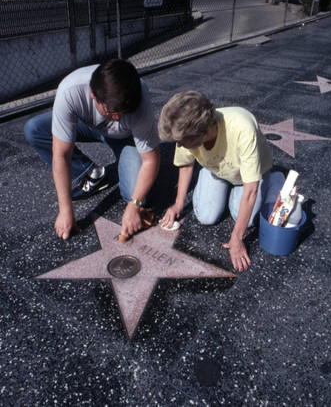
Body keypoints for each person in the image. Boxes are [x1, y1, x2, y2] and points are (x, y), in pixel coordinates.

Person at [24, 59, 160, 240]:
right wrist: (65, 210)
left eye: (123, 111)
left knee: (137, 197)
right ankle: (91, 173)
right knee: (34, 129)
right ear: (93, 95)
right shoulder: (70, 90)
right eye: (111, 111)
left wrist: (134, 205)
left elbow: (151, 159)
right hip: (87, 125)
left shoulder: (138, 96)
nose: (118, 117)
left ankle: (124, 166)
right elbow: (61, 155)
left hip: (125, 137)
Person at [158, 91, 284, 272]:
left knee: (245, 222)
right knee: (206, 217)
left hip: (249, 179)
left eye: (182, 142)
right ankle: (218, 182)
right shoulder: (186, 135)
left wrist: (237, 238)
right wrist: (178, 204)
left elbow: (250, 191)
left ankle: (274, 180)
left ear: (202, 131)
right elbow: (185, 165)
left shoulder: (242, 127)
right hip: (217, 169)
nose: (178, 146)